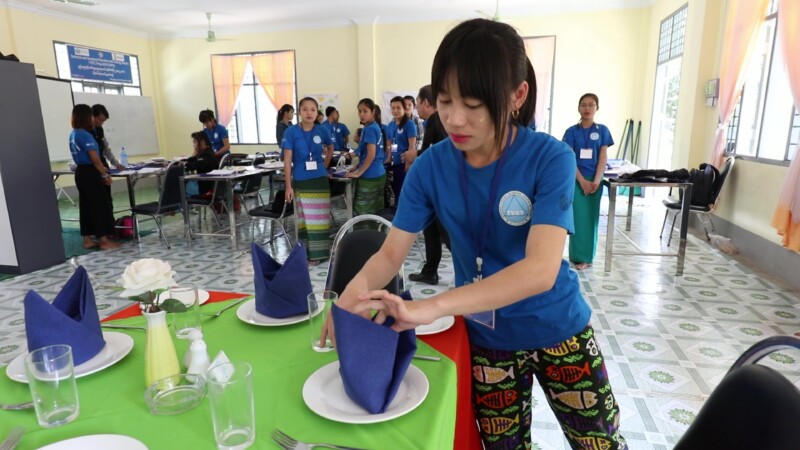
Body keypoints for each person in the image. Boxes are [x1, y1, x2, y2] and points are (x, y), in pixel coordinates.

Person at [326, 19, 626, 450]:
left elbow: (540, 270)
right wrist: (346, 299)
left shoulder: (550, 158)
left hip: (559, 328)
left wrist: (431, 306)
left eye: (472, 103)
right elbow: (390, 255)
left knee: (601, 444)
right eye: (445, 100)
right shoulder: (430, 167)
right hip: (488, 340)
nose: (454, 118)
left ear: (517, 96)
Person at [562, 93, 613, 270]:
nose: (587, 108)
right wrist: (582, 181)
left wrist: (597, 181)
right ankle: (576, 256)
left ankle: (587, 257)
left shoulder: (603, 130)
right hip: (576, 180)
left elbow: (603, 156)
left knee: (591, 218)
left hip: (595, 181)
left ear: (597, 108)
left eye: (591, 105)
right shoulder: (571, 132)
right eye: (583, 105)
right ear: (578, 108)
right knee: (577, 218)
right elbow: (569, 158)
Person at [281, 97, 334, 264]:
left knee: (319, 219)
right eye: (305, 109)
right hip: (301, 180)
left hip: (319, 180)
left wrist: (324, 166)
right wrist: (288, 186)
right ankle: (306, 253)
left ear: (317, 112)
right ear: (299, 112)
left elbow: (330, 147)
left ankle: (320, 254)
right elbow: (287, 161)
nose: (309, 113)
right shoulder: (291, 132)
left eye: (313, 109)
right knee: (305, 220)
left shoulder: (322, 130)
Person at [407, 84, 450, 285]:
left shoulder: (436, 121)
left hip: (441, 186)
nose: (416, 107)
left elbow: (436, 152)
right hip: (436, 185)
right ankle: (430, 271)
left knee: (446, 232)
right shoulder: (435, 121)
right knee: (431, 229)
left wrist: (414, 155)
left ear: (426, 102)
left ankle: (472, 272)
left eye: (417, 103)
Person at [69, 104, 121, 251]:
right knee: (99, 206)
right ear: (86, 117)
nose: (94, 119)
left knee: (86, 206)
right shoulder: (86, 135)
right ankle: (104, 241)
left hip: (81, 172)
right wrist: (105, 174)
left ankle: (87, 239)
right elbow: (95, 159)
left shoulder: (73, 134)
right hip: (91, 173)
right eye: (91, 116)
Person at [347, 98, 386, 217]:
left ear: (373, 112)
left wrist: (359, 172)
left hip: (370, 175)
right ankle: (375, 229)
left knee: (362, 210)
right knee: (375, 209)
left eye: (365, 111)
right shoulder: (372, 127)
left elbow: (371, 154)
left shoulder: (370, 129)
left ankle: (364, 230)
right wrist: (357, 166)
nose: (361, 114)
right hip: (378, 173)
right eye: (359, 111)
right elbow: (366, 153)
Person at [386, 96, 417, 207]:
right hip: (395, 163)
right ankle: (397, 210)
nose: (395, 110)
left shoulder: (409, 124)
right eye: (393, 108)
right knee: (395, 189)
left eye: (398, 108)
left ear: (404, 108)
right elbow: (392, 144)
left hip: (405, 163)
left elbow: (412, 146)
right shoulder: (391, 125)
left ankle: (404, 211)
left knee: (404, 191)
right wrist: (389, 158)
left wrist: (409, 163)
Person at [91, 104, 124, 171]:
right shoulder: (85, 132)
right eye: (100, 120)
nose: (101, 123)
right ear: (92, 116)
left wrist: (116, 164)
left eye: (103, 121)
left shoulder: (99, 129)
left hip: (102, 164)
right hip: (92, 167)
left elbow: (106, 149)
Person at [185, 131, 218, 195]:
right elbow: (194, 159)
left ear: (202, 142)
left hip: (204, 187)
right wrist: (183, 161)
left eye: (195, 142)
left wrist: (185, 164)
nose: (193, 145)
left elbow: (199, 165)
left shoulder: (206, 155)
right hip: (207, 185)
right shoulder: (207, 152)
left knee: (180, 186)